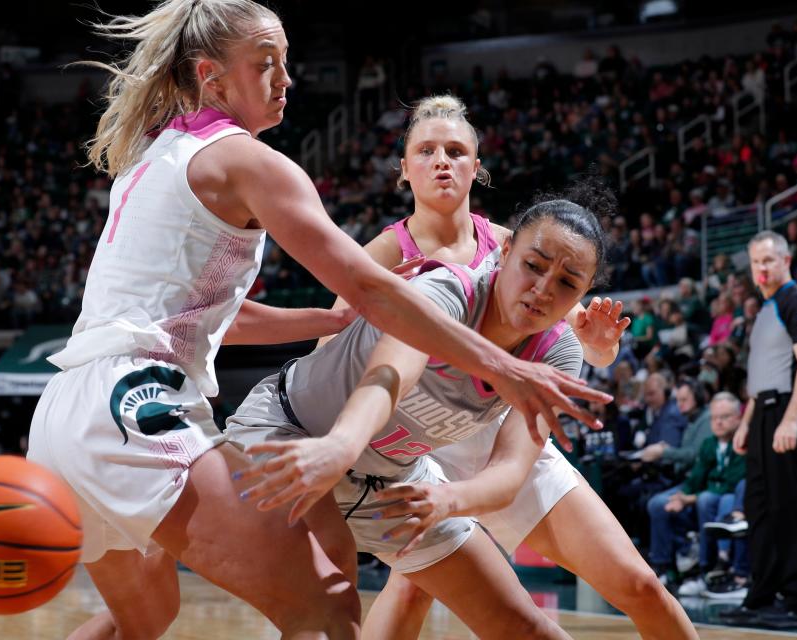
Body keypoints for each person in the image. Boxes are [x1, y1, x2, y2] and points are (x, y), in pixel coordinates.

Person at [27, 2, 608, 639]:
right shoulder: (249, 162)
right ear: (211, 76)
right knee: (324, 608)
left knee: (145, 617)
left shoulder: (153, 158)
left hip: (65, 406)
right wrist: (500, 364)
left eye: (286, 63)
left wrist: (328, 325)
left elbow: (212, 315)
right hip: (133, 403)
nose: (285, 78)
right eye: (265, 64)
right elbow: (365, 284)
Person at [227, 185, 690, 638]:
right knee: (332, 586)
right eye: (533, 266)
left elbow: (511, 470)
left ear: (584, 293)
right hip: (294, 431)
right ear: (505, 250)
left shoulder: (558, 352)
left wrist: (450, 500)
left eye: (567, 283)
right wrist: (341, 445)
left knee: (525, 627)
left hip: (393, 478)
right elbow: (390, 376)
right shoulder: (446, 288)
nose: (543, 290)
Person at [314, 95, 691, 638]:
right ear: (403, 169)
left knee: (640, 586)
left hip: (507, 432)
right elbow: (330, 355)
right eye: (426, 150)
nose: (441, 161)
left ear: (476, 167)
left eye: (455, 150)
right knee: (415, 587)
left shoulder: (525, 244)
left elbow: (581, 349)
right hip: (423, 447)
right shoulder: (384, 254)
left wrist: (603, 348)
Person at [723, 231, 797, 629]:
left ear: (785, 260)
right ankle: (761, 596)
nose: (760, 269)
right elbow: (762, 374)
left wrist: (793, 419)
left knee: (792, 510)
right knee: (760, 510)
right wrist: (746, 422)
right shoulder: (765, 309)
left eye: (767, 261)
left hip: (788, 412)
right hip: (763, 413)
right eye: (755, 262)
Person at [646, 392, 745, 595]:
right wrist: (682, 495)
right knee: (658, 503)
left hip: (729, 497)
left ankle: (707, 566)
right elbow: (696, 478)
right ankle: (664, 567)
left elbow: (731, 482)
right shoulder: (710, 444)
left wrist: (691, 498)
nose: (718, 423)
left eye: (724, 417)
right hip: (706, 493)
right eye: (714, 418)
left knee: (711, 500)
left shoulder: (742, 443)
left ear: (738, 418)